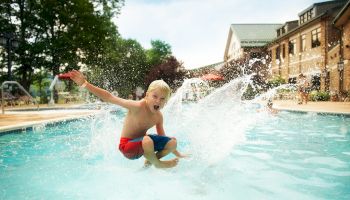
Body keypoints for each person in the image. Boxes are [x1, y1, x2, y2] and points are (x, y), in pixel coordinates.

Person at [69, 70, 186, 168]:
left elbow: (163, 138)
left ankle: (150, 162)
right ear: (146, 95)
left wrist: (177, 152)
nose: (157, 101)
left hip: (144, 145)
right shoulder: (136, 107)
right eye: (155, 96)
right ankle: (158, 164)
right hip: (128, 147)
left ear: (166, 102)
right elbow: (110, 97)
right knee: (147, 140)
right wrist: (85, 84)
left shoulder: (158, 116)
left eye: (162, 99)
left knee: (172, 142)